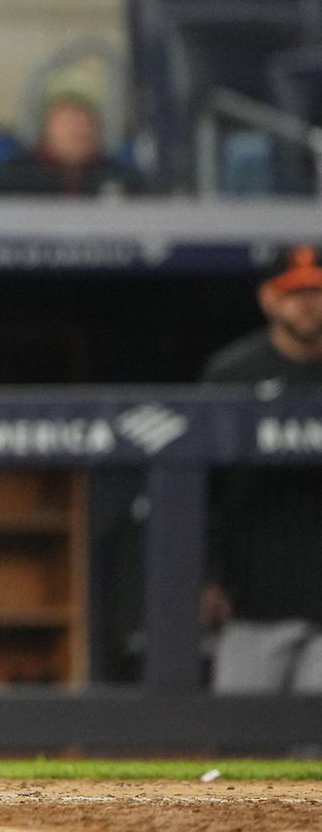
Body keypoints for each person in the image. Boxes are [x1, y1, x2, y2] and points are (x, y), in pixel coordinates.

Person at [201, 243, 322, 694]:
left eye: (316, 291)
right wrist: (208, 575)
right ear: (268, 298)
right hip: (255, 598)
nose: (307, 303)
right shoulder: (234, 373)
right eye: (293, 293)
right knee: (240, 746)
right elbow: (204, 489)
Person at [0, 91, 145, 196]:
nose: (77, 131)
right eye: (67, 123)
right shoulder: (13, 178)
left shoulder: (122, 178)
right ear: (46, 130)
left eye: (84, 123)